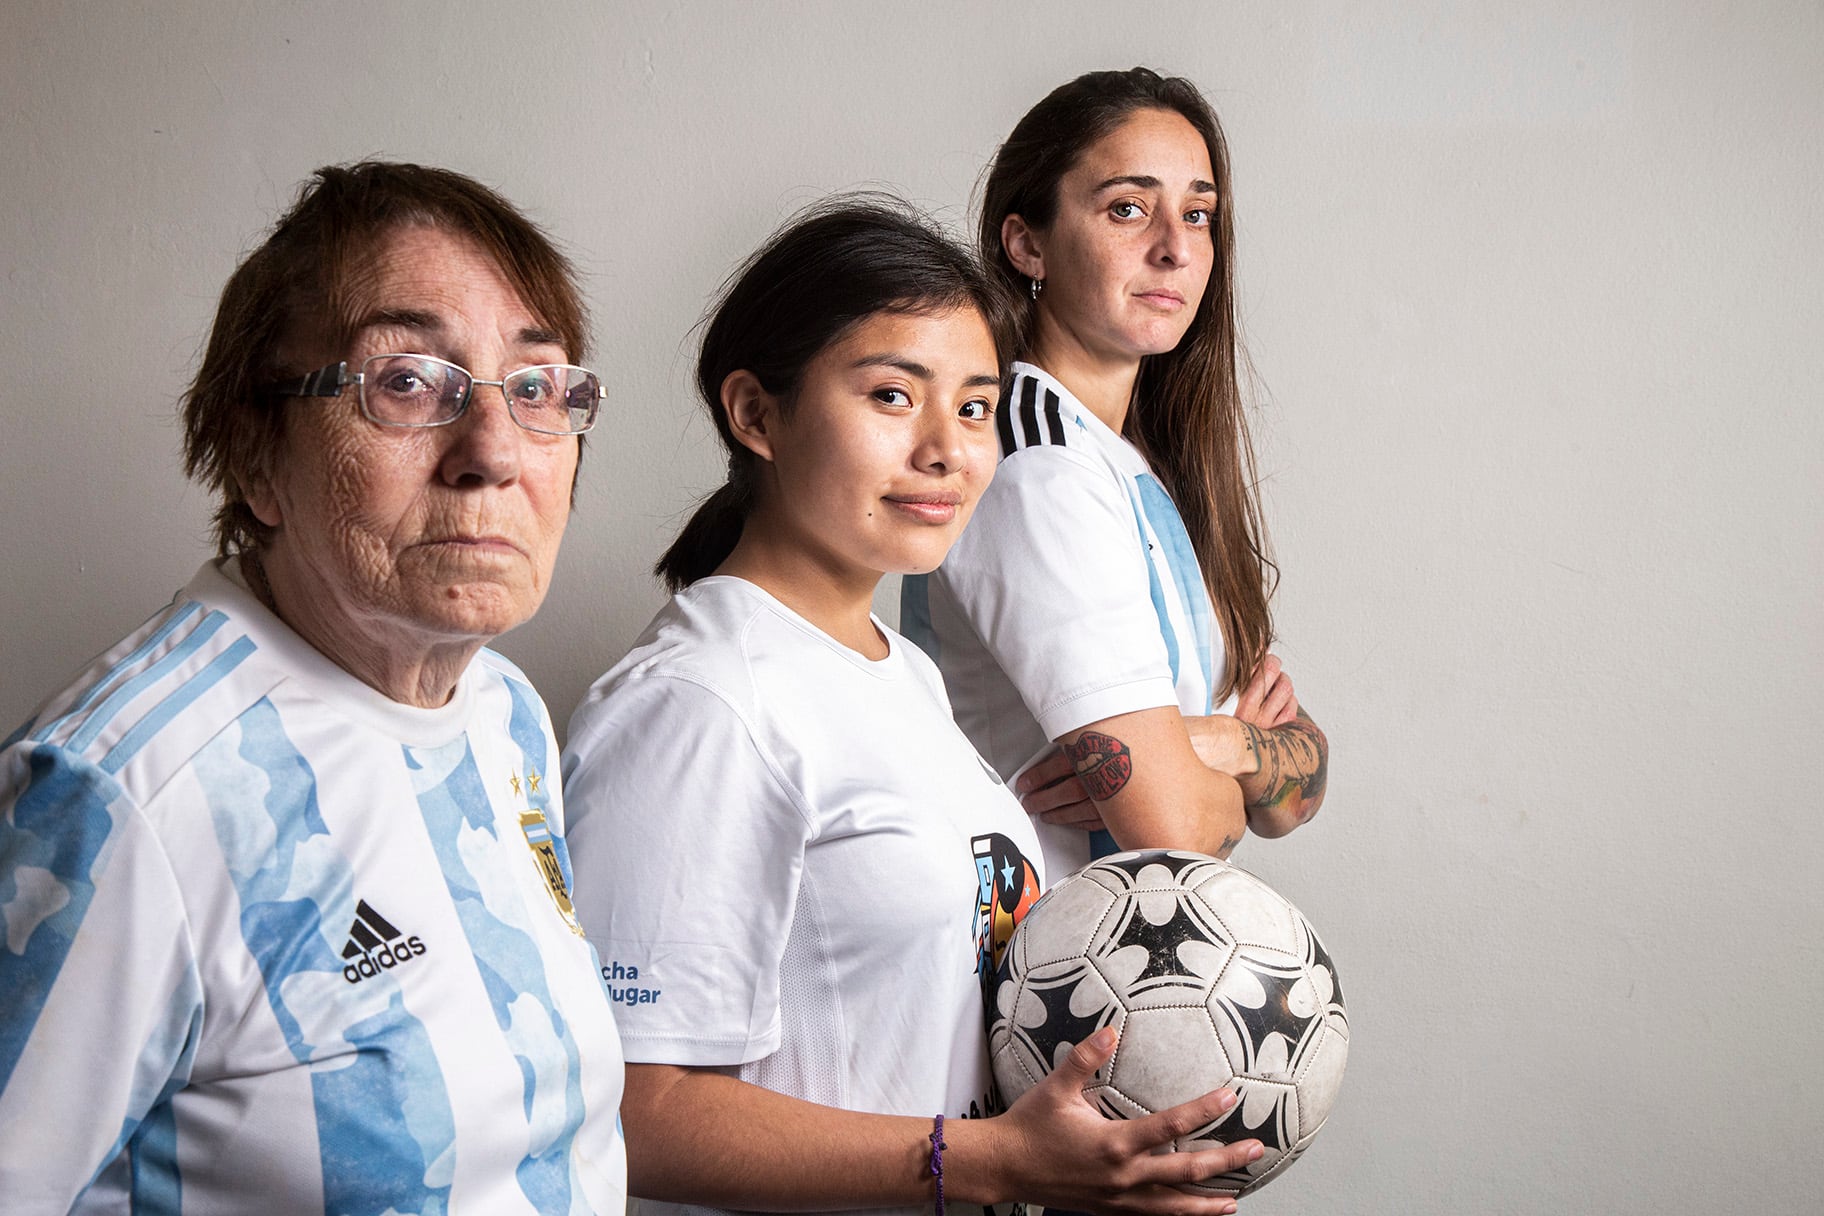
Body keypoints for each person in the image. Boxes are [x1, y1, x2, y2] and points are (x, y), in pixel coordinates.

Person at [561, 199, 1263, 1216]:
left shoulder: (902, 673)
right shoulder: (702, 699)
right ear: (755, 412)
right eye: (894, 395)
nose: (948, 448)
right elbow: (632, 1109)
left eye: (977, 407)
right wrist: (988, 1161)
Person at [0, 162, 627, 1213]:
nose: (492, 453)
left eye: (533, 388)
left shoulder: (503, 710)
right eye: (407, 382)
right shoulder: (120, 798)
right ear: (255, 454)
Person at [902, 67, 1330, 884]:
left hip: (1140, 968)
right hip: (1042, 976)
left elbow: (1303, 781)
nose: (1174, 246)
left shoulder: (1136, 460)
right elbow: (1170, 827)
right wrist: (1232, 759)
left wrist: (1218, 742)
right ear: (1027, 242)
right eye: (1128, 207)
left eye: (1197, 214)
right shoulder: (1036, 465)